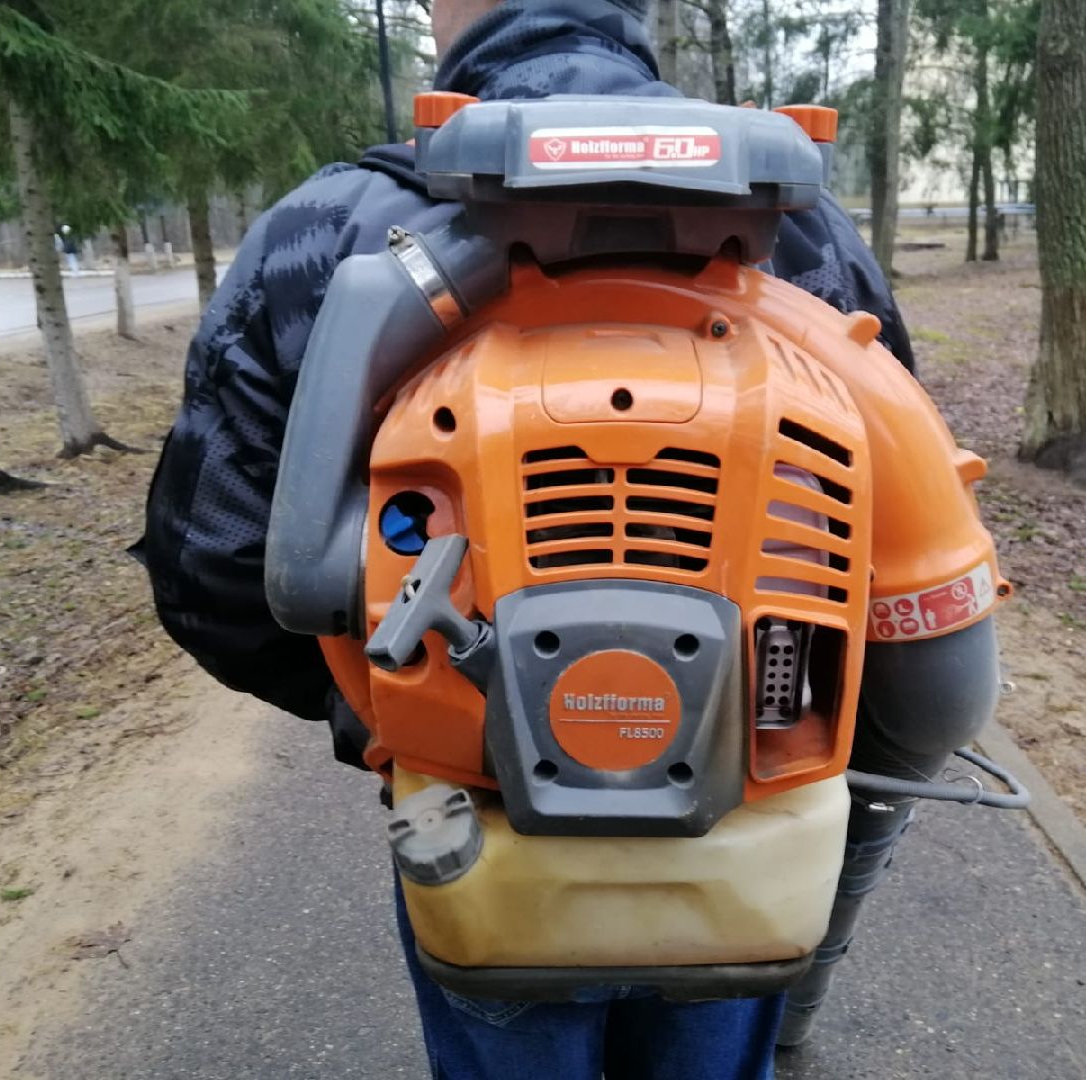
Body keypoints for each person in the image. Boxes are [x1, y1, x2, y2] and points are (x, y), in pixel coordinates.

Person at [135, 1, 915, 1077]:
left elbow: (216, 572)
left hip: (476, 831)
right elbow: (902, 562)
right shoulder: (805, 231)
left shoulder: (331, 229)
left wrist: (394, 714)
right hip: (746, 850)